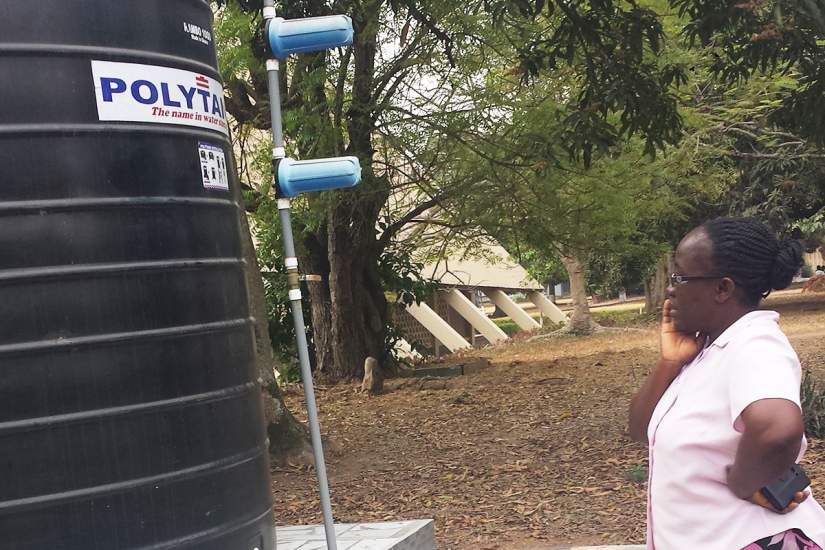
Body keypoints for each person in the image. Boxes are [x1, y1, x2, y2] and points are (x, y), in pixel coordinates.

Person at [629, 217, 825, 550]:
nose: (670, 288)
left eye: (680, 276)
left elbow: (777, 428)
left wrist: (742, 483)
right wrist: (671, 361)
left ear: (723, 288)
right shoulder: (709, 350)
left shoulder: (756, 344)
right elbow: (640, 430)